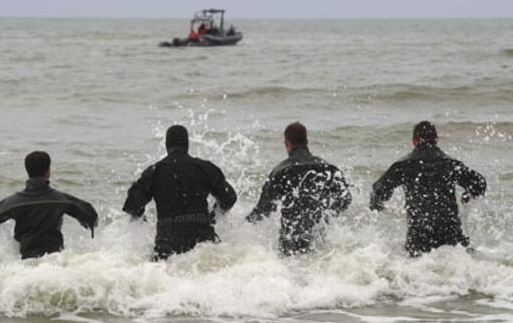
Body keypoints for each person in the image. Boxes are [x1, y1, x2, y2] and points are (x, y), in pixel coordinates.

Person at [370, 121, 487, 256]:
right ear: (436, 140)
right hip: (450, 233)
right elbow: (479, 183)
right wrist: (467, 196)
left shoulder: (402, 166)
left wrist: (378, 204)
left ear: (414, 141)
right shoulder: (450, 164)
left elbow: (378, 191)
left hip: (419, 236)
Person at [0, 151, 98, 259]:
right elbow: (91, 215)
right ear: (48, 170)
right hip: (56, 262)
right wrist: (88, 223)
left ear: (27, 171)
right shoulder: (62, 200)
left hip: (26, 264)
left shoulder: (14, 202)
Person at [122, 125, 237, 260]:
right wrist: (213, 215)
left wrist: (144, 221)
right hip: (203, 244)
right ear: (187, 144)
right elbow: (229, 198)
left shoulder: (154, 172)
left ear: (166, 145)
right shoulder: (205, 168)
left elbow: (132, 205)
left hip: (167, 246)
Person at [247, 122, 351, 255]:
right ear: (307, 141)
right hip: (318, 239)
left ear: (286, 143)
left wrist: (243, 225)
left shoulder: (281, 172)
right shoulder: (328, 168)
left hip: (289, 239)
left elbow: (263, 210)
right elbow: (345, 199)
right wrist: (327, 215)